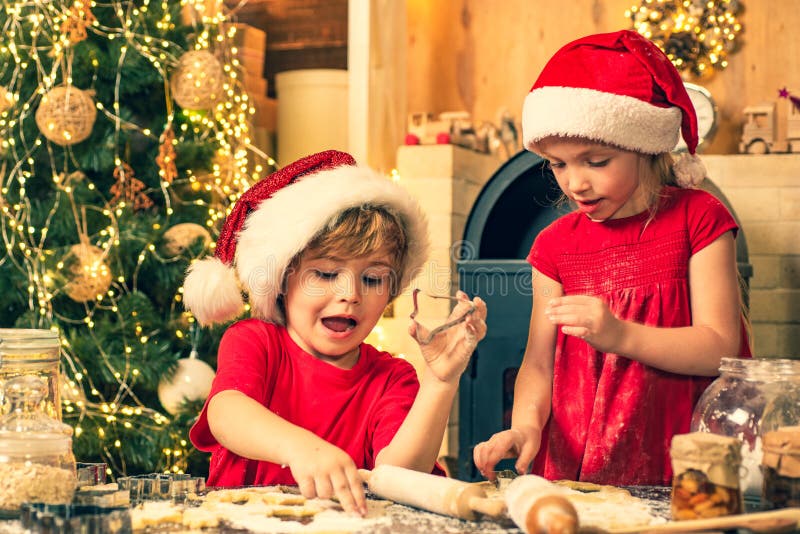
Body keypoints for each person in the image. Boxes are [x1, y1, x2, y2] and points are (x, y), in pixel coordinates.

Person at [472, 30, 751, 487]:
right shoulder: (554, 245)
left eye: (595, 161)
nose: (574, 183)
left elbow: (722, 348)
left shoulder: (699, 219)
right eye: (559, 164)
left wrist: (619, 334)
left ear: (643, 145)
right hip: (581, 466)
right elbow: (538, 365)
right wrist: (524, 426)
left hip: (682, 460)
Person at [183, 150, 487, 516]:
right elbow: (226, 413)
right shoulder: (255, 341)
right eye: (325, 274)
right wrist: (302, 448)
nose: (350, 294)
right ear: (282, 280)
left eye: (372, 279)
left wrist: (440, 383)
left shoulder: (392, 378)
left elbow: (400, 474)